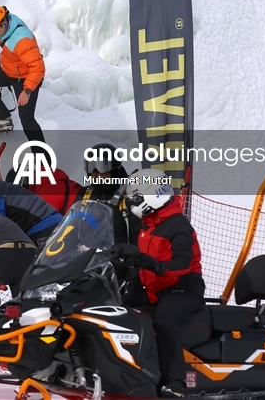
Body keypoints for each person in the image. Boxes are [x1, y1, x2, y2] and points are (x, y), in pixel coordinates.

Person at [114, 178, 204, 398]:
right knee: (114, 308)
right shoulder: (149, 224)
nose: (131, 203)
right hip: (156, 287)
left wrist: (152, 265)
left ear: (152, 198)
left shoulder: (177, 225)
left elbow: (183, 262)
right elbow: (142, 258)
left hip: (183, 286)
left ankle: (174, 381)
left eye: (135, 198)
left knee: (164, 318)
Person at [0, 5, 45, 142]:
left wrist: (27, 91)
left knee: (27, 121)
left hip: (26, 79)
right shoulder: (6, 27)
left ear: (3, 23)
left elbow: (38, 67)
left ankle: (43, 160)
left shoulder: (22, 40)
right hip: (10, 70)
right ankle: (2, 117)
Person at [80, 143, 141, 249]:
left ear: (114, 169)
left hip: (119, 260)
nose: (98, 174)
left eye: (102, 168)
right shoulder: (85, 195)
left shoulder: (131, 196)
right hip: (86, 260)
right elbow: (70, 226)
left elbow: (140, 239)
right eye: (92, 169)